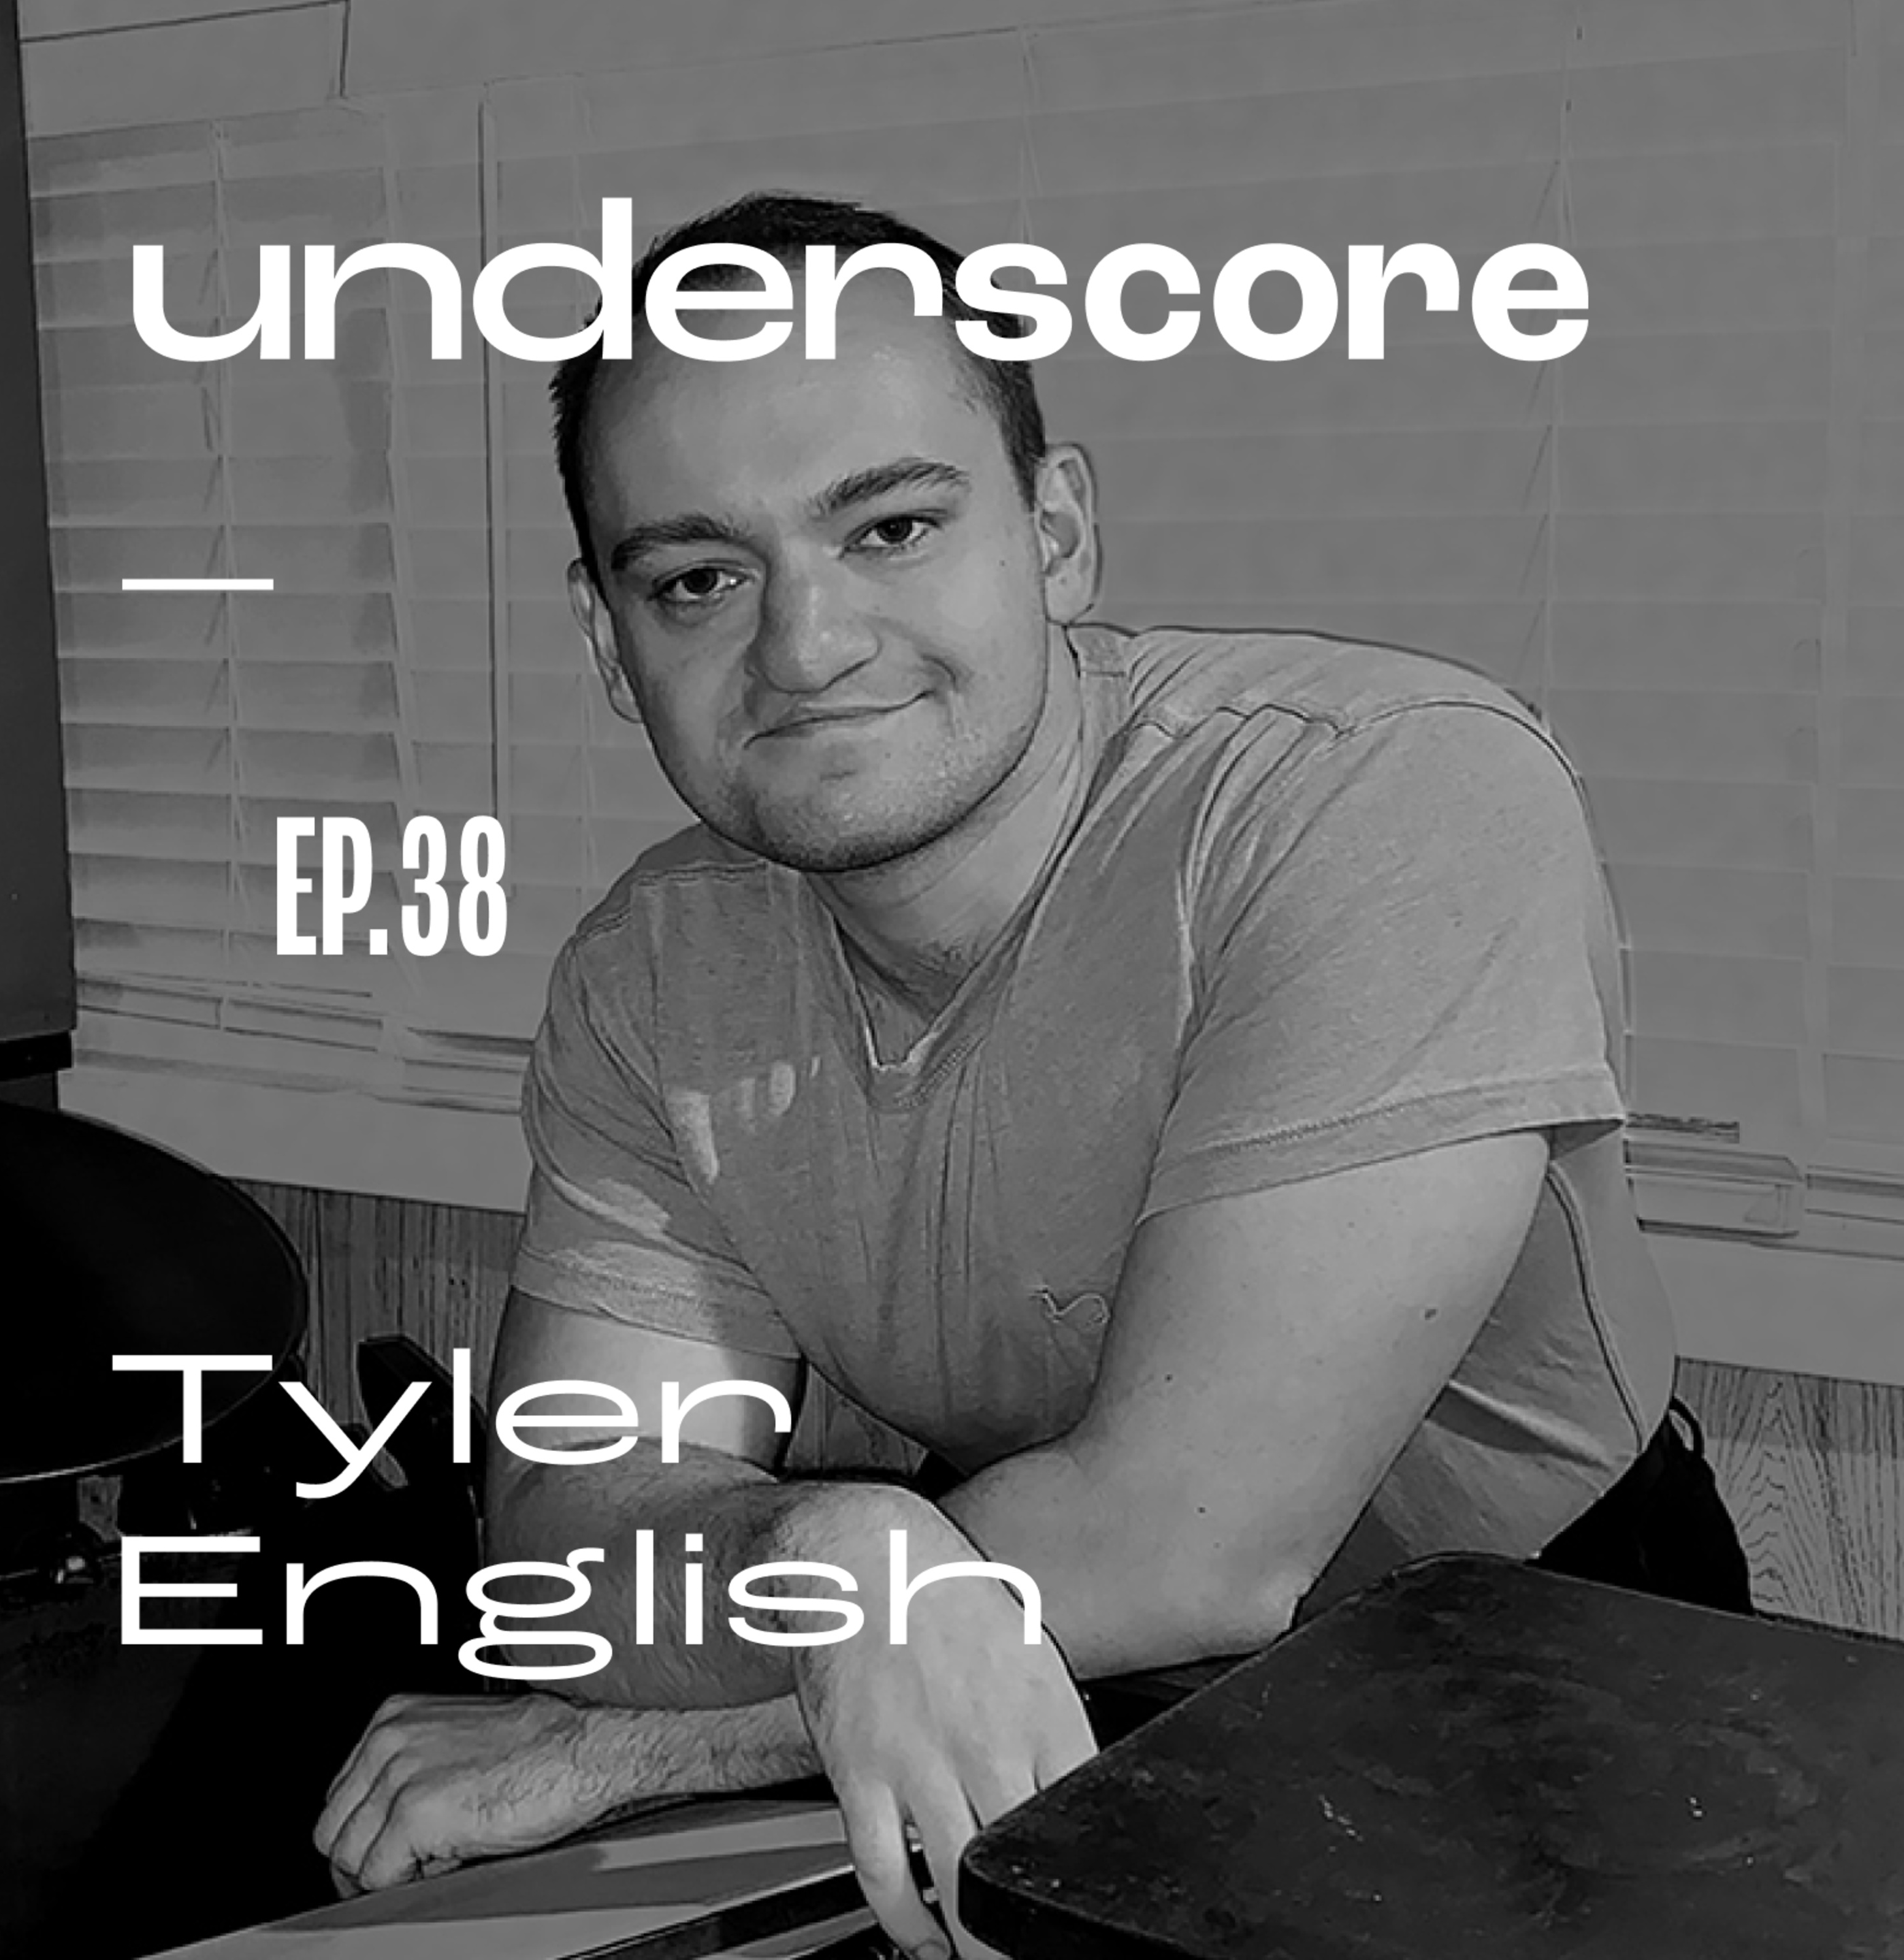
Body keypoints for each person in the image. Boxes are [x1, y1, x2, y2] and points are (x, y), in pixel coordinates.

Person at [312, 192, 1751, 1959]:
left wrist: (643, 1744)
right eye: (697, 578)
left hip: (1546, 1667)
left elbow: (1190, 1553)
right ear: (612, 645)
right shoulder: (650, 975)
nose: (806, 645)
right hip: (1015, 1635)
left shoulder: (1387, 794)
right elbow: (567, 1546)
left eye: (894, 527)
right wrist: (839, 1562)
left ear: (1057, 536)